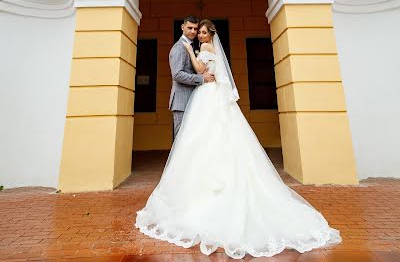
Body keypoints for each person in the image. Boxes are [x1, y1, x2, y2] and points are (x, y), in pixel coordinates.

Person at [136, 19, 341, 259]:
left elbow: (200, 71)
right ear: (185, 28)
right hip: (204, 96)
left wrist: (193, 53)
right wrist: (197, 63)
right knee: (201, 141)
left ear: (210, 34)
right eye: (195, 31)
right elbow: (182, 74)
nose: (198, 34)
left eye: (202, 31)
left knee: (201, 140)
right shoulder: (188, 48)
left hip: (206, 96)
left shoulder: (204, 49)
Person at [168, 15, 215, 139]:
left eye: (195, 29)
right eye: (190, 28)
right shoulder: (179, 47)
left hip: (192, 100)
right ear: (183, 27)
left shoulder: (193, 46)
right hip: (181, 101)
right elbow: (177, 74)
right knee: (180, 141)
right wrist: (202, 78)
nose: (193, 32)